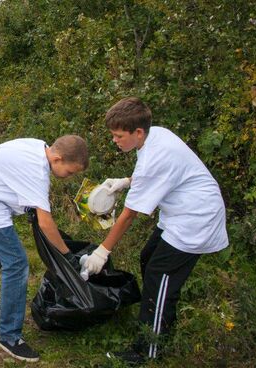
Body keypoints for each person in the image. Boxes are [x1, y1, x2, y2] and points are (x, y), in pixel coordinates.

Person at [82, 97, 229, 364]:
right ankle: (161, 322)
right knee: (148, 259)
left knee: (160, 275)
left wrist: (102, 252)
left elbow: (128, 216)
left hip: (195, 220)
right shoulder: (155, 134)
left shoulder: (155, 154)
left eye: (118, 136)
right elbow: (161, 174)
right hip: (179, 214)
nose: (115, 141)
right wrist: (126, 182)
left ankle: (149, 350)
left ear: (138, 132)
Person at [0, 135, 89, 362]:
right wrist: (68, 256)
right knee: (17, 264)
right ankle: (9, 336)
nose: (69, 177)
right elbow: (45, 222)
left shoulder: (38, 147)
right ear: (57, 158)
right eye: (70, 172)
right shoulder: (37, 171)